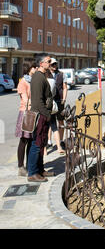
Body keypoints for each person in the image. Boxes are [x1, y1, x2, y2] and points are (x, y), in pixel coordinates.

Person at [27, 53, 53, 182]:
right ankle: (32, 173)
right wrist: (47, 115)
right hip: (39, 115)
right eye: (48, 61)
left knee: (41, 144)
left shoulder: (42, 76)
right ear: (41, 63)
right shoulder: (38, 77)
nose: (50, 63)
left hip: (42, 115)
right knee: (36, 145)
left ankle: (40, 170)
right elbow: (37, 101)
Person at [15, 62, 38, 176]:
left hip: (33, 112)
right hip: (26, 113)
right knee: (24, 140)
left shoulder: (33, 80)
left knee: (31, 140)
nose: (36, 68)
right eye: (34, 67)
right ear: (29, 69)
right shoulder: (23, 82)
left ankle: (30, 164)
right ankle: (20, 167)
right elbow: (25, 99)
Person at [44, 68, 65, 155]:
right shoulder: (53, 81)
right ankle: (59, 147)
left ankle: (44, 150)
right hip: (52, 106)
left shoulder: (44, 81)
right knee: (54, 127)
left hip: (44, 106)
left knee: (44, 128)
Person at [49, 58, 68, 148]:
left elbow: (64, 87)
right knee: (49, 122)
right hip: (50, 101)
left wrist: (64, 98)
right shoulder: (46, 74)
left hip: (59, 100)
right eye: (53, 64)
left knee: (60, 120)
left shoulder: (61, 74)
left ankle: (60, 140)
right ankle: (49, 141)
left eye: (55, 64)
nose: (54, 65)